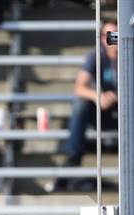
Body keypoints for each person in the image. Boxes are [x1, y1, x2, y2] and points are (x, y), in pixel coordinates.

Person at [53, 20, 118, 191]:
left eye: (115, 35)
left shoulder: (130, 53)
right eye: (107, 35)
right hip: (103, 111)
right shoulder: (96, 56)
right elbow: (79, 88)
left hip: (126, 110)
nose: (111, 40)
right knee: (80, 104)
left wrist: (119, 96)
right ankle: (73, 158)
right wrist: (99, 97)